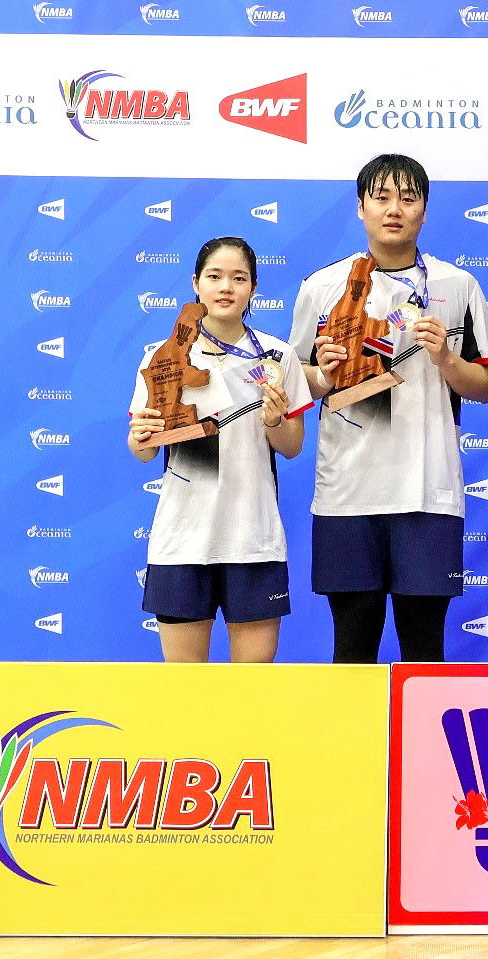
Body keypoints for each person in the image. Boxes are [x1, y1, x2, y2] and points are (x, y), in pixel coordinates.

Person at [289, 154, 488, 663]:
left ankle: (420, 745)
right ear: (360, 207)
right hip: (348, 496)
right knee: (352, 648)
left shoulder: (456, 286)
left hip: (427, 493)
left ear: (424, 211)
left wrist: (446, 356)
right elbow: (294, 383)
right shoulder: (322, 287)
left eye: (408, 199)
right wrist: (325, 372)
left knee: (425, 650)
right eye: (381, 198)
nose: (394, 210)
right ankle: (347, 745)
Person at [128, 236, 310, 663]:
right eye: (214, 276)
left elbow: (293, 446)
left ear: (253, 288)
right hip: (182, 542)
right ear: (196, 284)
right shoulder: (163, 356)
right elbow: (143, 450)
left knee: (251, 692)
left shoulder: (277, 355)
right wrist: (139, 438)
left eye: (238, 278)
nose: (226, 287)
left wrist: (273, 420)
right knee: (186, 693)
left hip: (253, 540)